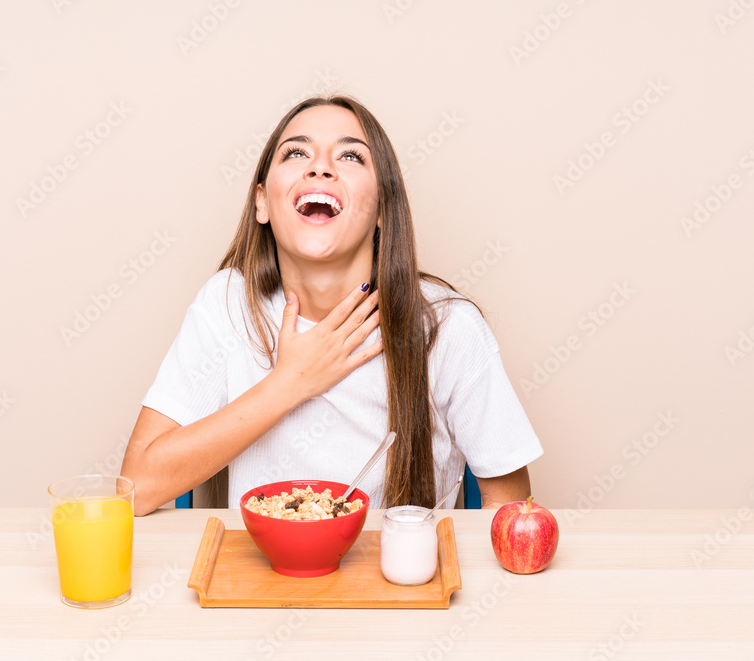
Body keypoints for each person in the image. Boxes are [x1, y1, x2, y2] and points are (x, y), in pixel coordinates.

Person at [121, 95, 542, 515]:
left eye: (351, 156)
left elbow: (509, 510)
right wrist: (290, 382)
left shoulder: (448, 326)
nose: (320, 166)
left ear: (382, 208)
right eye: (297, 152)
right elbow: (136, 488)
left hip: (398, 579)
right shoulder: (228, 304)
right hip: (262, 580)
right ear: (262, 202)